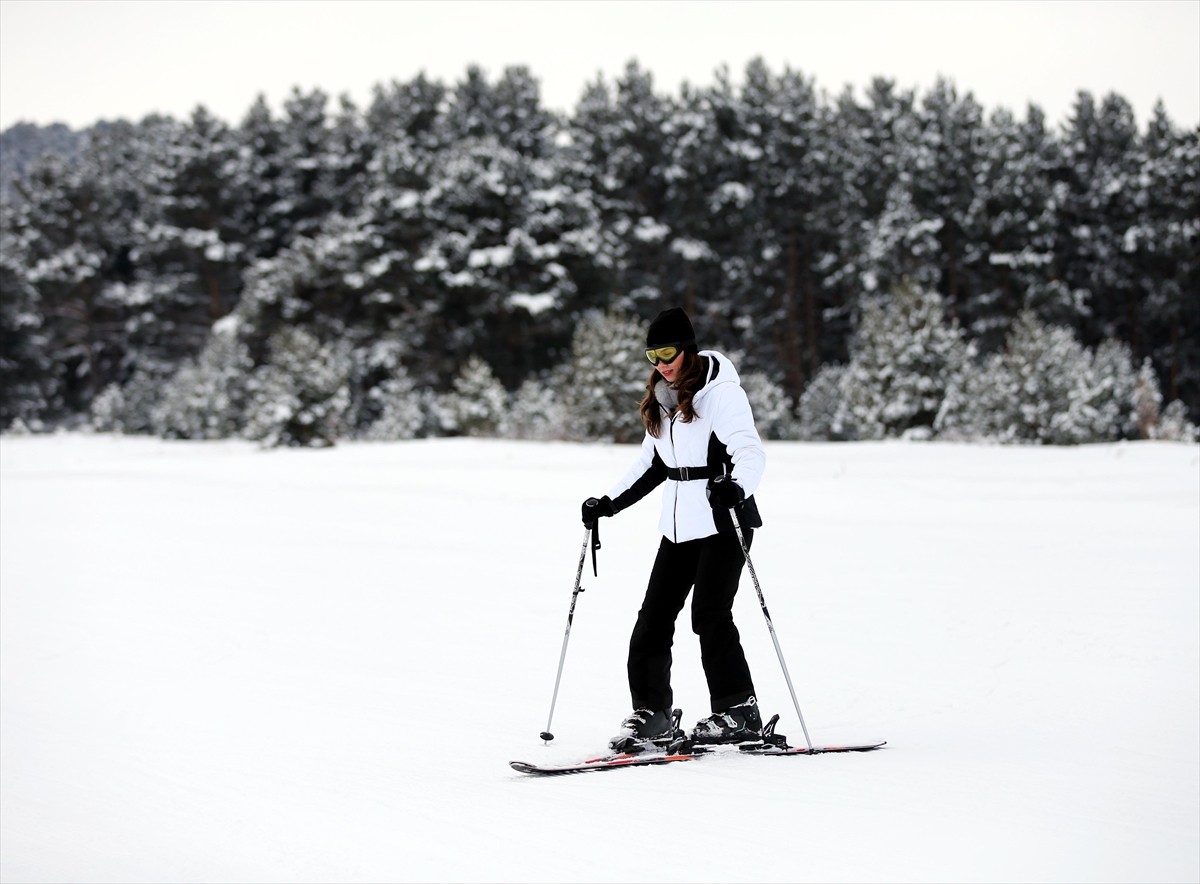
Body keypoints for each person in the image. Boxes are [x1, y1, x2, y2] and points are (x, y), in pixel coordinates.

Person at [580, 306, 766, 753]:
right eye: (653, 355)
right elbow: (652, 463)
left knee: (709, 615)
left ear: (688, 348)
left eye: (667, 352)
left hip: (722, 519)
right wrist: (608, 502)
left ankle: (738, 710)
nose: (661, 362)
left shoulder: (723, 394)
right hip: (678, 527)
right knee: (653, 619)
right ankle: (653, 715)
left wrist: (735, 488)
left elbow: (750, 451)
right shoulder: (664, 398)